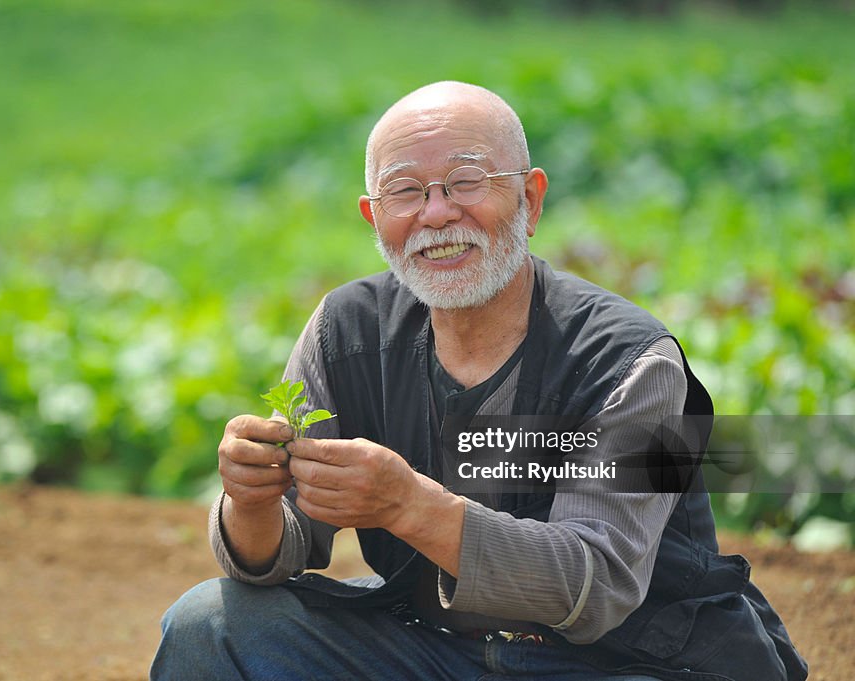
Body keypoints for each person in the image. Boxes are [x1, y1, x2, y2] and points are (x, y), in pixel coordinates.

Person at [149, 81, 807, 681]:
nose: (436, 214)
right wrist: (252, 504)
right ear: (374, 216)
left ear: (530, 198)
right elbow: (280, 548)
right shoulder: (344, 332)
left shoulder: (636, 359)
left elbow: (599, 584)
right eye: (406, 191)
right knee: (211, 628)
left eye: (466, 182)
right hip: (433, 648)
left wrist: (410, 504)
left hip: (623, 659)